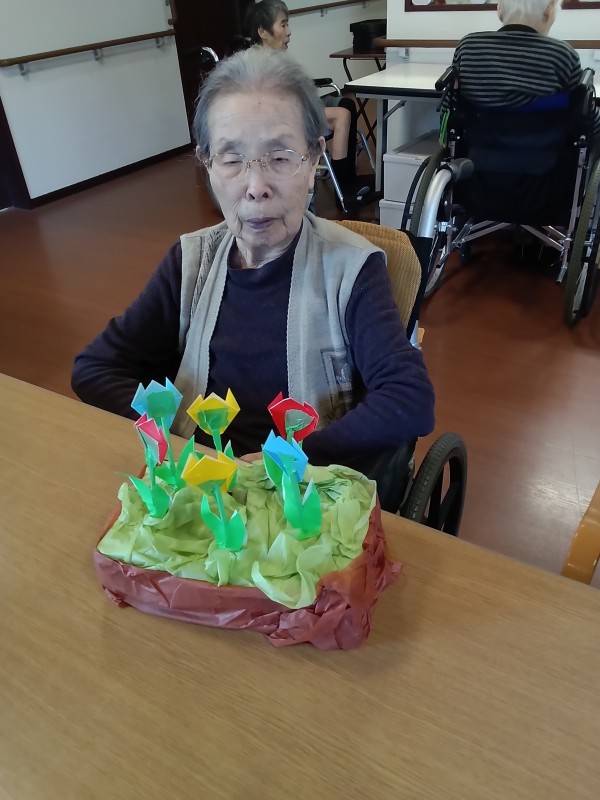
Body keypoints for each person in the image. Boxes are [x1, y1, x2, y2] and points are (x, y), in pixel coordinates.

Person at [71, 46, 434, 509]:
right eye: (231, 159)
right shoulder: (191, 260)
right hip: (198, 488)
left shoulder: (353, 269)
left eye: (280, 157)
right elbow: (94, 368)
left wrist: (288, 460)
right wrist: (174, 441)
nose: (256, 186)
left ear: (314, 160)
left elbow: (408, 398)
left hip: (300, 496)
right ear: (207, 165)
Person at [244, 0, 374, 211]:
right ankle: (343, 188)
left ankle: (349, 177)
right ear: (263, 31)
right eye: (283, 25)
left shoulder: (275, 58)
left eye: (288, 24)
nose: (289, 31)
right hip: (288, 119)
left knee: (347, 104)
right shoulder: (258, 65)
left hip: (299, 107)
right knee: (341, 116)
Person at [450, 0, 600, 136]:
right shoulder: (562, 54)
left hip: (476, 151)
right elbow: (587, 119)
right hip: (546, 154)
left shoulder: (469, 46)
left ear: (499, 11)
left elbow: (449, 107)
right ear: (549, 11)